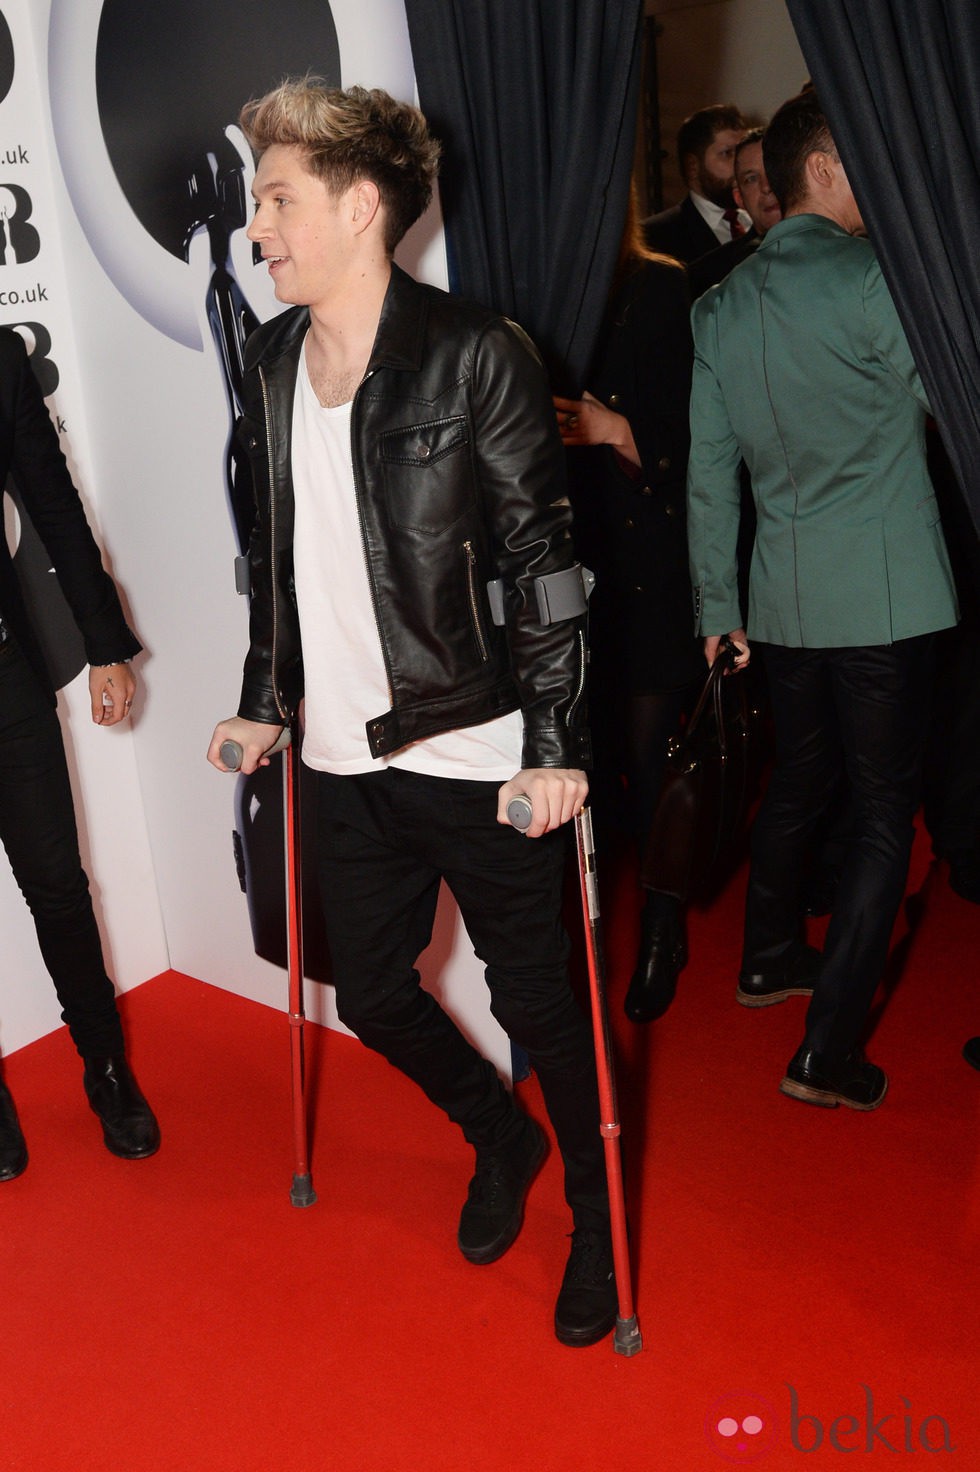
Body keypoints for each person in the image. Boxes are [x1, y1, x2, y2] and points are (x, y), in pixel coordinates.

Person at [208, 80, 616, 1346]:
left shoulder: (475, 351)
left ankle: (598, 1237)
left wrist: (554, 746)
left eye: (279, 198)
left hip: (480, 750)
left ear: (361, 203)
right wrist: (262, 695)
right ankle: (501, 1137)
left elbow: (545, 568)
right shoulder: (270, 358)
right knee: (373, 991)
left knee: (542, 1009)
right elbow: (274, 553)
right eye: (257, 198)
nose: (257, 225)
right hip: (341, 754)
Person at [687, 89, 958, 1110]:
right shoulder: (877, 280)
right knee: (886, 816)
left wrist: (719, 603)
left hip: (778, 603)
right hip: (886, 599)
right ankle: (824, 1049)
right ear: (829, 166)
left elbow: (711, 478)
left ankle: (764, 956)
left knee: (797, 783)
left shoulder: (717, 306)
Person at [0, 329, 160, 1181]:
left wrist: (104, 643)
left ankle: (106, 1068)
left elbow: (55, 507)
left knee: (57, 884)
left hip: (4, 674)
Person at [552, 198, 704, 1022]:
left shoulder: (661, 286)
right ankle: (601, 930)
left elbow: (701, 438)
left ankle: (662, 933)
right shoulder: (540, 288)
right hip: (565, 570)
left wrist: (617, 430)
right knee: (588, 760)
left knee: (651, 765)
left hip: (647, 563)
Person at [643, 104, 749, 264]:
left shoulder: (760, 220)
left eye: (742, 152)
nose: (741, 164)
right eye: (727, 153)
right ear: (693, 166)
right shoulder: (657, 236)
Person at [688, 126, 781, 298]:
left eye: (773, 171)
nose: (766, 187)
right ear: (739, 198)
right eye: (751, 179)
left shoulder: (835, 251)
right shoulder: (707, 278)